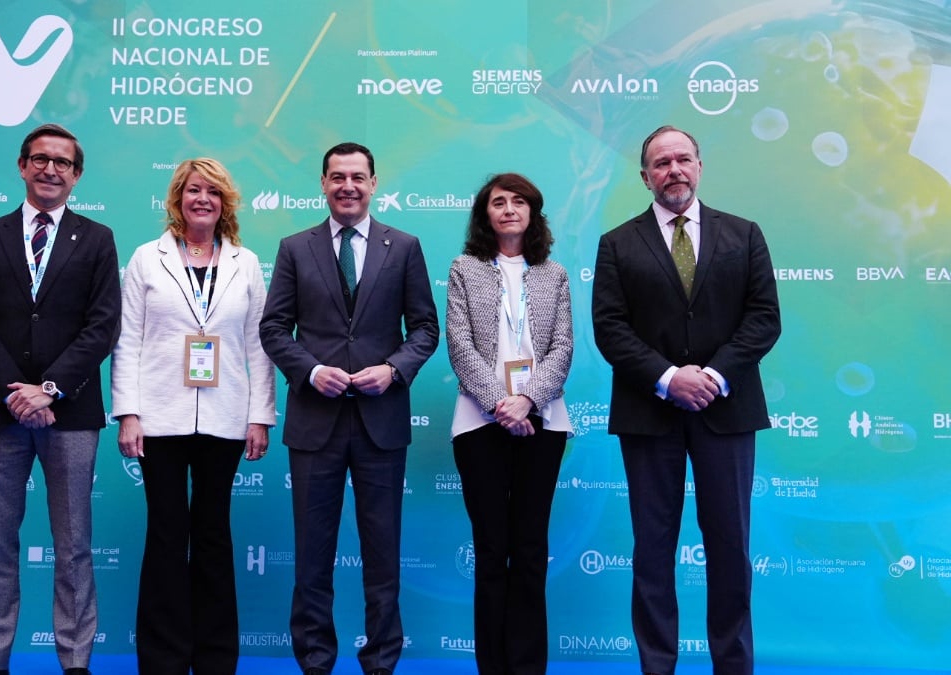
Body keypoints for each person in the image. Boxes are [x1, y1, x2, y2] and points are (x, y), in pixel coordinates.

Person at [591, 125, 781, 675]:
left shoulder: (744, 234)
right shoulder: (617, 243)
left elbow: (764, 318)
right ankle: (657, 666)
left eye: (683, 159)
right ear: (645, 176)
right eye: (660, 162)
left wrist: (714, 376)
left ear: (699, 166)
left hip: (727, 411)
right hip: (649, 415)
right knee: (652, 552)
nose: (673, 170)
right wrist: (670, 377)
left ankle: (733, 666)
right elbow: (610, 327)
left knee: (729, 549)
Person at [259, 142, 439, 675]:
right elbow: (273, 328)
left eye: (358, 176)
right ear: (323, 184)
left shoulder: (404, 246)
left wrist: (394, 368)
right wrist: (312, 371)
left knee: (382, 557)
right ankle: (315, 661)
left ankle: (381, 661)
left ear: (374, 183)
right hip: (315, 424)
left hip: (382, 425)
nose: (348, 186)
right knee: (312, 558)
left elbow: (425, 328)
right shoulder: (295, 247)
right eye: (337, 177)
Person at [0, 123, 121, 675]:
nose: (51, 169)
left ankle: (75, 661)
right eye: (40, 159)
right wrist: (18, 394)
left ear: (76, 175)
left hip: (70, 413)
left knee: (74, 544)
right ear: (22, 166)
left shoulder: (97, 239)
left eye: (62, 163)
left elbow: (102, 327)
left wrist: (48, 389)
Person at [110, 158, 276, 675]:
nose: (202, 198)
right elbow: (127, 340)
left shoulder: (246, 262)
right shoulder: (146, 258)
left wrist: (260, 416)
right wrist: (128, 413)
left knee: (212, 535)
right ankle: (161, 660)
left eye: (213, 191)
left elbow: (259, 344)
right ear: (178, 198)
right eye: (193, 190)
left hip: (226, 418)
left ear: (225, 202)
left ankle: (214, 659)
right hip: (159, 418)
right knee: (165, 534)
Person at [445, 173, 574, 675]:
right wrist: (503, 402)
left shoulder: (554, 273)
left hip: (542, 422)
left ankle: (527, 666)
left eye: (518, 201)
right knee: (491, 547)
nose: (508, 209)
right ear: (485, 215)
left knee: (530, 547)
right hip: (479, 423)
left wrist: (528, 402)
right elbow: (460, 345)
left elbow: (563, 348)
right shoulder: (464, 269)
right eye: (498, 202)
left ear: (532, 213)